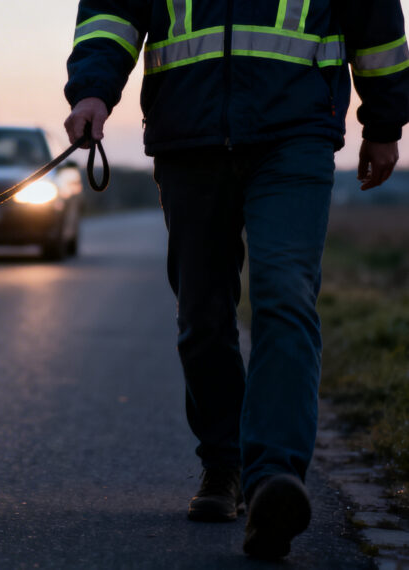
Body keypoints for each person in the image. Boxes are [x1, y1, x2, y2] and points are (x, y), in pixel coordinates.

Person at [63, 0, 409, 561]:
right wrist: (92, 90)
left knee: (287, 296)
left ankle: (274, 480)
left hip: (295, 132)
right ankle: (225, 462)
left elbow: (375, 20)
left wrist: (385, 121)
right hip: (188, 135)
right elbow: (113, 11)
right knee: (202, 317)